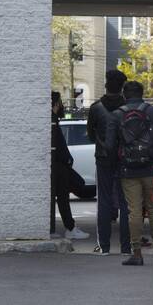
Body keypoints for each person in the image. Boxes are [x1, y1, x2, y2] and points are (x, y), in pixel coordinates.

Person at [103, 80, 153, 267]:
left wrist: (116, 164)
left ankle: (137, 253)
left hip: (128, 170)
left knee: (134, 212)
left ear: (124, 95)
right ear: (142, 93)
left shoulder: (116, 115)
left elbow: (109, 145)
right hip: (152, 168)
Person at [87, 69, 132, 256]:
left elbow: (91, 135)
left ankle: (104, 246)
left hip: (103, 158)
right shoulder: (128, 108)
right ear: (122, 87)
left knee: (104, 201)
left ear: (106, 84)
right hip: (125, 159)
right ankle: (126, 247)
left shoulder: (96, 108)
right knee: (126, 203)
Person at [51, 92, 89, 240]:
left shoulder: (52, 120)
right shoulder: (52, 121)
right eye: (60, 102)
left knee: (62, 197)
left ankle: (70, 226)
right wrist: (67, 159)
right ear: (55, 103)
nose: (62, 105)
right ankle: (70, 227)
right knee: (63, 197)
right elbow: (58, 144)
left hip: (58, 164)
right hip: (59, 165)